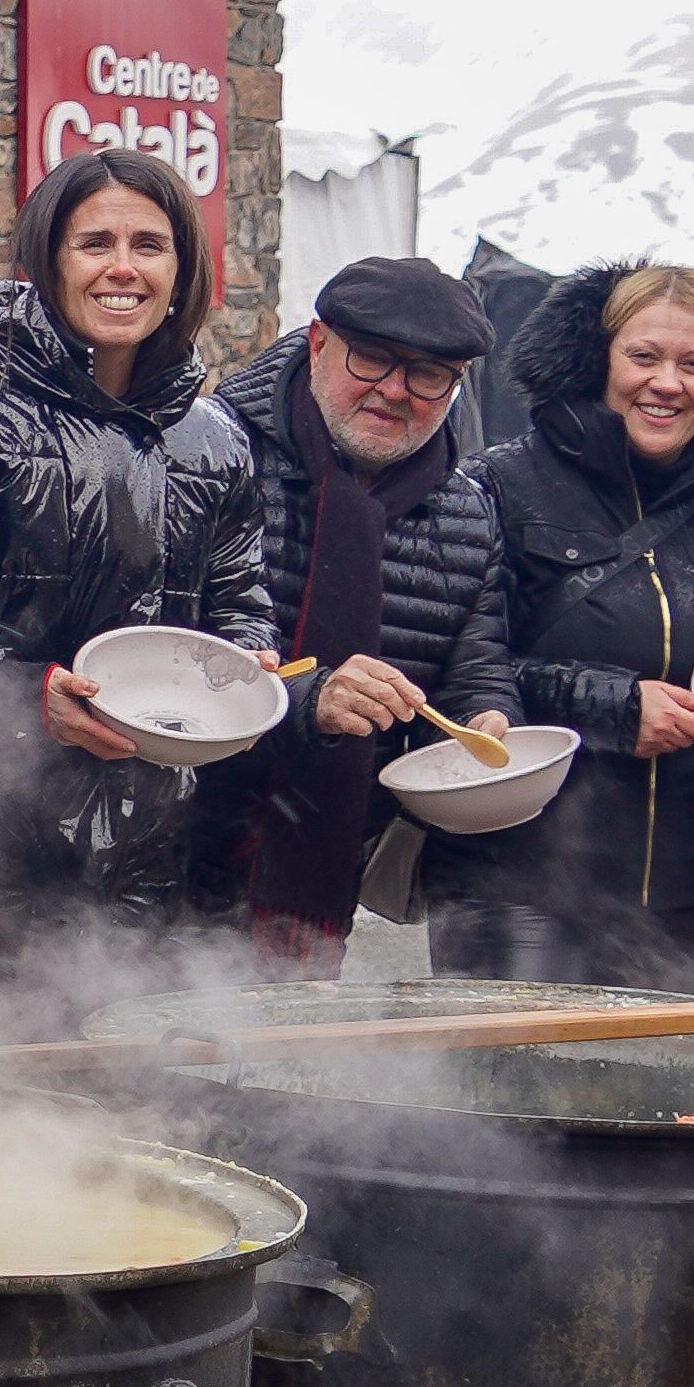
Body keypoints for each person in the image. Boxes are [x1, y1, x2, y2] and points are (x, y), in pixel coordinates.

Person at [0, 143, 269, 963]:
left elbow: (241, 605)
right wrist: (26, 697)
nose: (123, 269)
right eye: (94, 243)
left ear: (184, 267)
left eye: (149, 245)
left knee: (117, 1074)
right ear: (48, 257)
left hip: (151, 840)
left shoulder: (216, 441)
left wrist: (247, 669)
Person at [422, 262, 694, 994]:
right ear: (600, 356)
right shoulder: (498, 487)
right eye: (644, 356)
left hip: (693, 885)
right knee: (510, 1103)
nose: (666, 383)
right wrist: (611, 705)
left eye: (693, 364)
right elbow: (447, 668)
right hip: (518, 879)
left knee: (660, 1102)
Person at [195, 255, 519, 967]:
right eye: (371, 359)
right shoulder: (210, 453)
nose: (395, 391)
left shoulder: (465, 512)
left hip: (325, 889)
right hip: (173, 864)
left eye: (429, 374)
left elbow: (477, 664)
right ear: (317, 343)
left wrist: (488, 720)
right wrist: (307, 698)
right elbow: (161, 647)